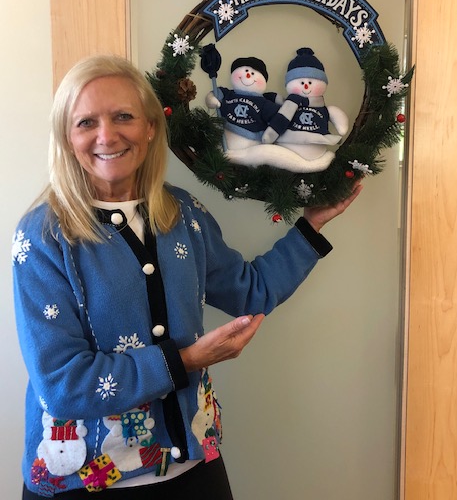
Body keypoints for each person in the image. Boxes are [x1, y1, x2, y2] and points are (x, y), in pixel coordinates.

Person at [13, 55, 362, 499]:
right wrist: (185, 361)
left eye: (123, 117)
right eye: (86, 122)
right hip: (82, 481)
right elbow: (63, 383)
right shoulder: (44, 236)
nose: (107, 135)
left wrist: (311, 227)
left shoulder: (184, 214)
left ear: (150, 127)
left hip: (193, 470)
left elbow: (250, 291)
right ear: (67, 136)